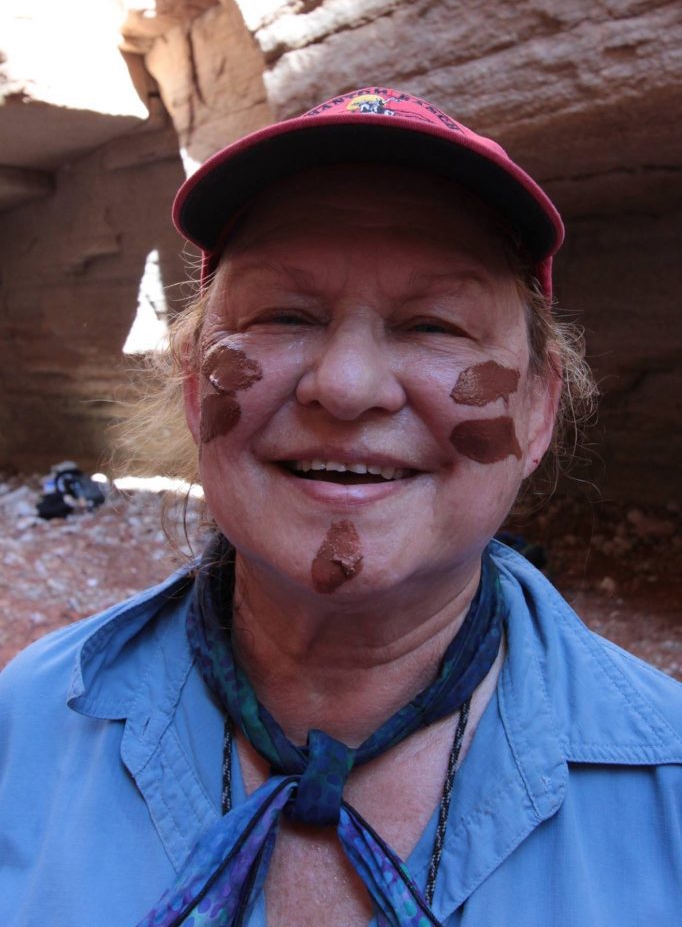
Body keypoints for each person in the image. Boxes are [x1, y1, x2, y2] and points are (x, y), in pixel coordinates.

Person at [1, 87, 680, 927]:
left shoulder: (668, 787)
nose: (348, 386)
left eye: (434, 326)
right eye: (284, 315)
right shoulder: (27, 727)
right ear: (195, 386)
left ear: (538, 408)